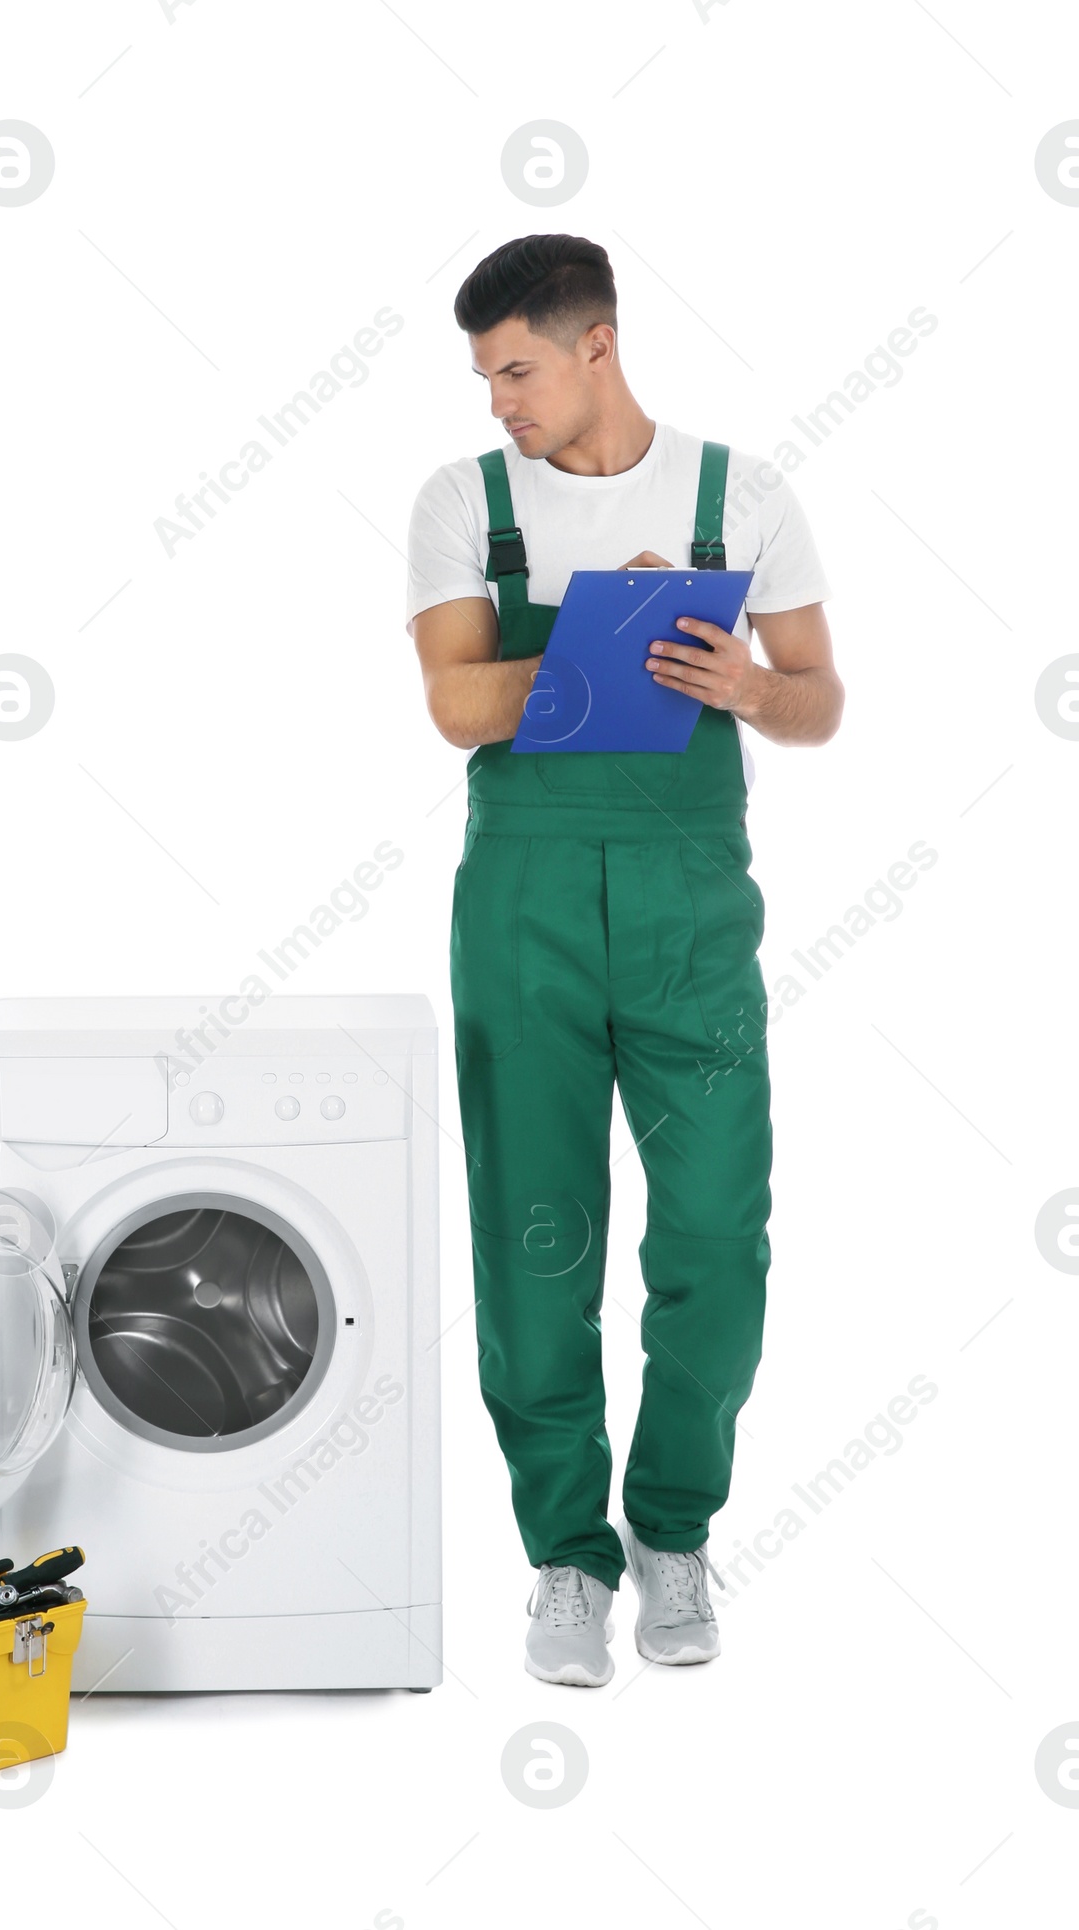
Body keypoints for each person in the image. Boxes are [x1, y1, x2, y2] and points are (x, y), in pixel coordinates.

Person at [407, 234, 842, 1686]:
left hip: (691, 911)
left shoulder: (742, 494)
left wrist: (739, 679)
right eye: (485, 377)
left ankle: (670, 1532)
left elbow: (819, 699)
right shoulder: (463, 502)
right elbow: (458, 700)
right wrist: (600, 644)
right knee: (538, 1241)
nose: (500, 404)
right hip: (522, 900)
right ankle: (567, 1561)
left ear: (597, 344)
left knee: (717, 1234)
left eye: (517, 369)